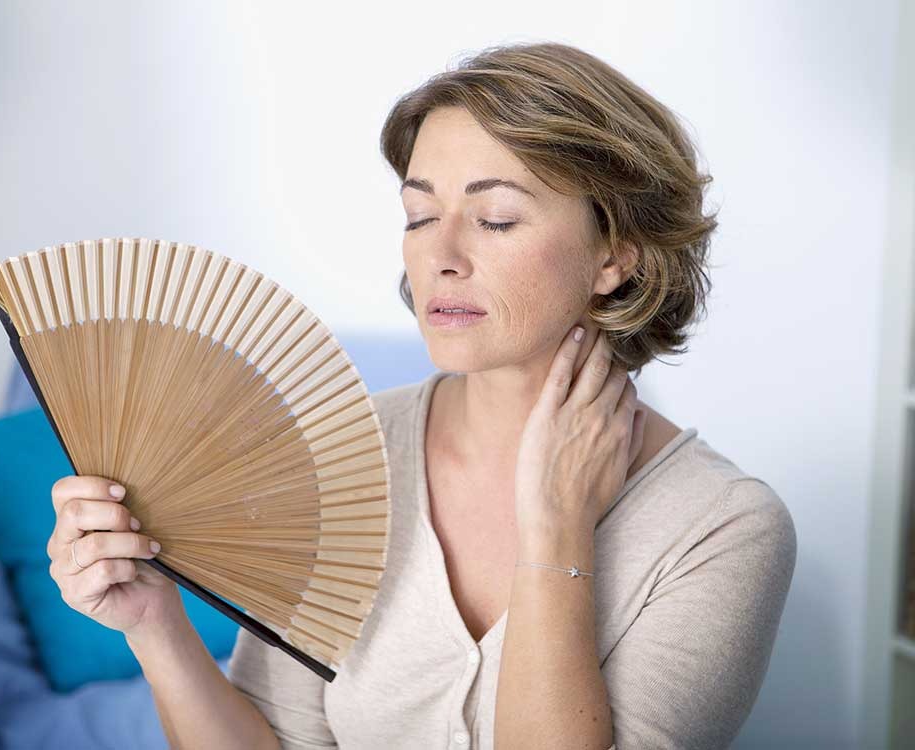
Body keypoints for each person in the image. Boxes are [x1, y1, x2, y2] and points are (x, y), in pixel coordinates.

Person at [46, 41, 797, 749]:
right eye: (421, 215)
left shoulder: (724, 528)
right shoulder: (343, 456)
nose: (440, 256)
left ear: (616, 254)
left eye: (496, 218)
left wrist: (558, 529)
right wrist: (154, 626)